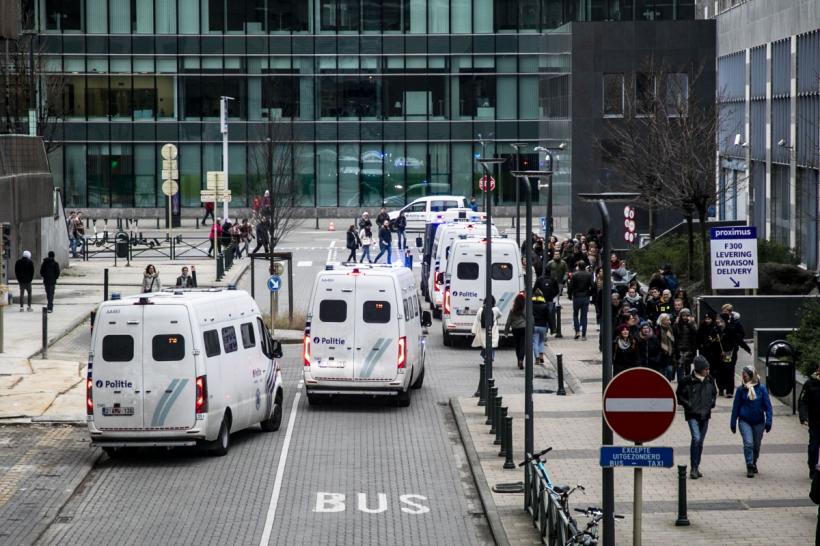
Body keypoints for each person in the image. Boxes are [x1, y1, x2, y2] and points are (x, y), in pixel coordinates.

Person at [676, 356, 717, 479]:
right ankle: (693, 468)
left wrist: (711, 403)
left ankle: (696, 466)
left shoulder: (710, 379)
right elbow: (679, 396)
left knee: (700, 443)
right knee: (696, 438)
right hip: (692, 414)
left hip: (705, 415)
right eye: (705, 369)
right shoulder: (687, 380)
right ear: (699, 369)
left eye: (708, 369)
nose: (707, 371)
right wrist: (688, 405)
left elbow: (714, 393)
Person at [730, 365, 773, 478]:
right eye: (743, 377)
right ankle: (749, 465)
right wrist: (733, 422)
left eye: (746, 376)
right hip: (745, 421)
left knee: (756, 445)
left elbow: (768, 406)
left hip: (759, 422)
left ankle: (754, 462)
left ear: (752, 376)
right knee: (748, 443)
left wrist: (769, 421)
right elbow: (736, 407)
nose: (744, 378)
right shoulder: (740, 390)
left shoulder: (761, 389)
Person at [799, 362, 820, 479]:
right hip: (815, 422)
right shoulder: (810, 384)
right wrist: (803, 416)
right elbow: (803, 401)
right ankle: (812, 468)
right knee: (814, 446)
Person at [568, 260, 593, 340]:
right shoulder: (589, 275)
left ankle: (577, 331)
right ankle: (584, 335)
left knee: (575, 314)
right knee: (584, 316)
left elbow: (570, 286)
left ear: (578, 266)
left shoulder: (574, 275)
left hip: (577, 296)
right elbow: (592, 285)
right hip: (585, 296)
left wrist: (569, 295)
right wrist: (590, 293)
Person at [471, 296, 501, 362]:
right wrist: (495, 319)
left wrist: (473, 331)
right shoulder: (496, 309)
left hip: (483, 331)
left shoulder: (480, 310)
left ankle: (485, 356)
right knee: (492, 345)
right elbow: (500, 315)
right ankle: (490, 358)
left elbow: (477, 320)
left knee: (485, 345)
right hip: (493, 331)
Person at [673, 308, 698, 381]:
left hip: (689, 348)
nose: (685, 317)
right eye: (683, 315)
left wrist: (691, 324)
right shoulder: (677, 324)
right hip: (679, 348)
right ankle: (680, 380)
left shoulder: (692, 324)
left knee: (687, 365)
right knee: (680, 365)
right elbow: (675, 335)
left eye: (687, 315)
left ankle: (687, 380)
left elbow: (695, 335)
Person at [503, 293, 527, 370]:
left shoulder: (512, 310)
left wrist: (506, 332)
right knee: (523, 345)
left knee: (517, 345)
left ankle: (518, 360)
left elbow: (508, 321)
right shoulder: (525, 309)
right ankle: (521, 360)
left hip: (515, 329)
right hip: (524, 328)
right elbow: (528, 318)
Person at [532, 288, 550, 364]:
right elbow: (548, 317)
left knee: (535, 342)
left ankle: (537, 358)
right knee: (541, 341)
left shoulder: (531, 305)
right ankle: (541, 356)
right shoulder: (545, 305)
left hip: (534, 326)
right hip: (543, 326)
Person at [657, 313, 676, 380]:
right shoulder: (658, 329)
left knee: (669, 373)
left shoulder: (670, 328)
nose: (668, 321)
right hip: (661, 355)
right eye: (666, 320)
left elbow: (672, 340)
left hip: (670, 354)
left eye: (669, 320)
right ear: (662, 320)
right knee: (662, 375)